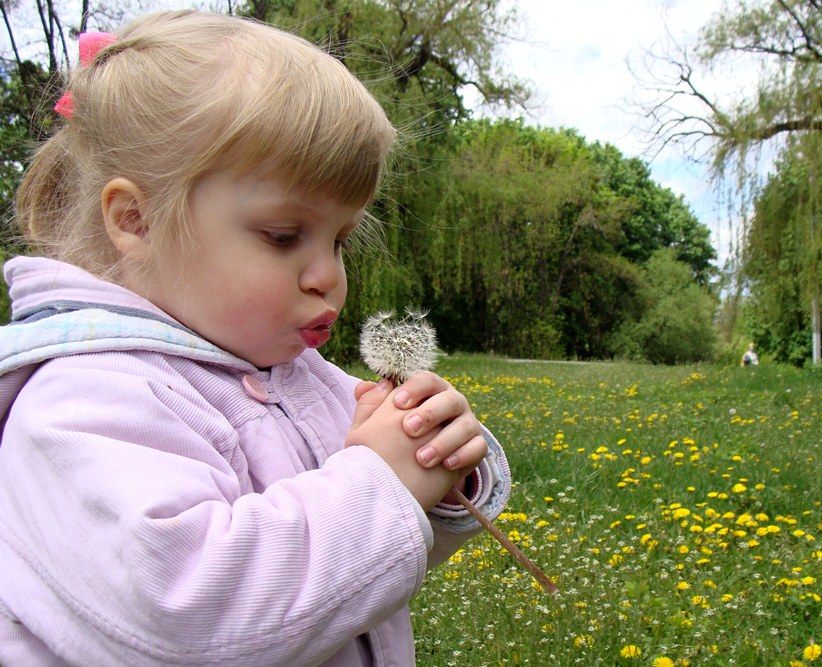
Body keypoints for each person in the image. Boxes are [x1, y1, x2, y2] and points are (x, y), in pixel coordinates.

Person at [0, 11, 510, 666]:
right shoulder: (79, 404)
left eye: (341, 239)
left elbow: (351, 577)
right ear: (136, 220)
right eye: (283, 235)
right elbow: (185, 617)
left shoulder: (303, 378)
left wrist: (438, 475)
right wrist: (380, 482)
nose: (328, 274)